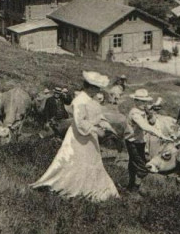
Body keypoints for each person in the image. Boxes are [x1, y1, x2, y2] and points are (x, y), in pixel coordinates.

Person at [31, 72, 118, 202]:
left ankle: (91, 188)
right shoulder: (79, 101)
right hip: (78, 137)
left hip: (90, 137)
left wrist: (107, 126)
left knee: (92, 162)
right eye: (96, 88)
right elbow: (79, 122)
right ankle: (69, 187)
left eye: (98, 88)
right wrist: (95, 130)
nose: (98, 91)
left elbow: (98, 116)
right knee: (75, 161)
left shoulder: (92, 100)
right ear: (88, 87)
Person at [124, 89, 172, 192]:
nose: (144, 104)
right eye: (141, 101)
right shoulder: (135, 113)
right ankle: (135, 189)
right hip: (132, 142)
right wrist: (160, 134)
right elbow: (144, 126)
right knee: (143, 167)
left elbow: (151, 114)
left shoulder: (142, 110)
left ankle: (130, 187)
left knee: (133, 164)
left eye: (145, 101)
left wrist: (152, 109)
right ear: (135, 101)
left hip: (140, 141)